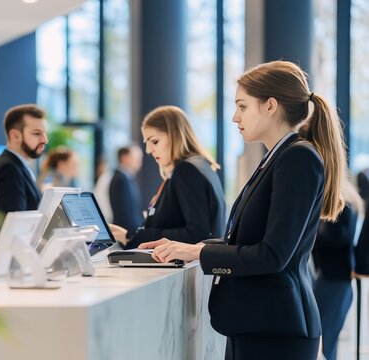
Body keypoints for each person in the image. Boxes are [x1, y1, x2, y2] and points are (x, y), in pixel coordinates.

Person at [141, 61, 348, 360]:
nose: (235, 116)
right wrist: (189, 247)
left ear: (270, 106)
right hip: (259, 323)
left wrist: (197, 254)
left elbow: (272, 255)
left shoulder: (297, 158)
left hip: (276, 329)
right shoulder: (277, 157)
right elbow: (248, 240)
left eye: (242, 106)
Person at [109, 105, 226, 249]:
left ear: (174, 135)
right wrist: (129, 236)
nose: (149, 150)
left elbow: (196, 234)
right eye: (147, 143)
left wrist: (135, 236)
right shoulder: (201, 166)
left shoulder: (186, 170)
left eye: (155, 141)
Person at [311, 180, 364, 360]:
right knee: (324, 343)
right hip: (330, 280)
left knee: (323, 344)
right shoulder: (347, 200)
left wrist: (313, 231)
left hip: (335, 282)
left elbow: (338, 238)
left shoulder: (341, 203)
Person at [0, 104, 48, 214]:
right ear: (15, 136)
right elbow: (14, 226)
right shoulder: (8, 169)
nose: (45, 140)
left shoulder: (12, 165)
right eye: (37, 133)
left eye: (45, 133)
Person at [109, 145, 144, 231]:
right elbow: (125, 214)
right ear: (124, 158)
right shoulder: (120, 179)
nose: (139, 161)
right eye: (135, 157)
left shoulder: (128, 177)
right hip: (125, 232)